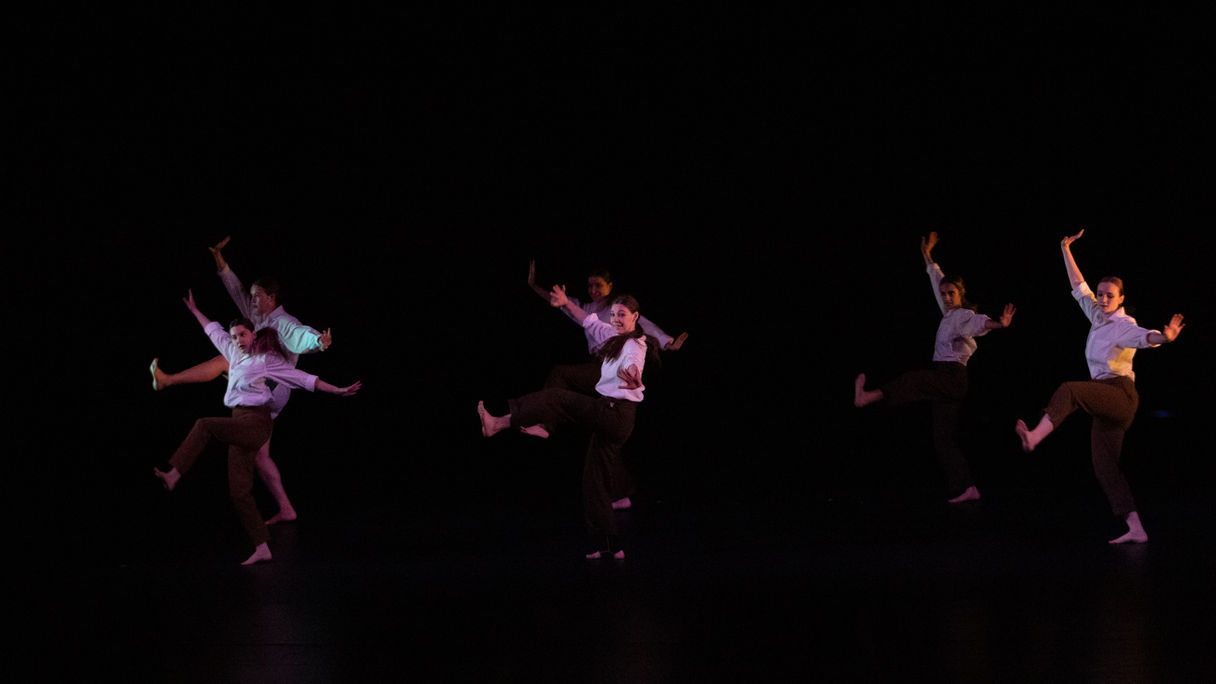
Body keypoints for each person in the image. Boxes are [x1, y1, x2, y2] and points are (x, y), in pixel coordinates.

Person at [153, 291, 360, 565]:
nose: (238, 340)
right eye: (235, 336)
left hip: (256, 422)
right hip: (239, 422)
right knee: (238, 491)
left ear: (253, 336)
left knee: (204, 425)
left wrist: (338, 390)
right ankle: (262, 546)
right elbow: (212, 331)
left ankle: (174, 474)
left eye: (243, 335)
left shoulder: (265, 361)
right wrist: (194, 311)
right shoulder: (231, 351)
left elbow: (304, 379)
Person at [1015, 229, 1184, 544]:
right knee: (1105, 467)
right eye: (1102, 293)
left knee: (1070, 389)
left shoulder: (1123, 325)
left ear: (1121, 299)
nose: (1104, 299)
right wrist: (1064, 248)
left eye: (1110, 295)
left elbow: (1146, 337)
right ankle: (1136, 527)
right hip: (1104, 401)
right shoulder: (1095, 313)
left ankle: (1034, 438)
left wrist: (1165, 338)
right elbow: (1078, 285)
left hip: (1120, 395)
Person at [150, 236, 332, 524]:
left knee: (228, 359)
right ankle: (287, 508)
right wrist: (219, 260)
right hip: (262, 387)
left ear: (271, 298)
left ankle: (168, 380)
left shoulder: (283, 322)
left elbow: (301, 336)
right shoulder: (255, 315)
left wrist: (318, 342)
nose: (251, 300)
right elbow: (235, 289)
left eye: (257, 296)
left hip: (275, 388)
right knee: (261, 456)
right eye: (252, 296)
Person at [478, 286, 648, 560]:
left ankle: (499, 423)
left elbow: (633, 367)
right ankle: (610, 546)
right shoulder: (612, 334)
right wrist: (566, 302)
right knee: (594, 482)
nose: (616, 319)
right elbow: (587, 320)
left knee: (558, 398)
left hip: (617, 414)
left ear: (635, 317)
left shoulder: (634, 345)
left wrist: (634, 379)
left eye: (622, 315)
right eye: (614, 314)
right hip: (612, 415)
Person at [854, 232, 1016, 503]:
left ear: (960, 294)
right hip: (948, 382)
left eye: (951, 293)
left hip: (952, 377)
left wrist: (999, 324)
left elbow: (978, 322)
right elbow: (936, 278)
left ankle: (869, 396)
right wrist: (927, 254)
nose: (947, 297)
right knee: (942, 439)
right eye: (944, 294)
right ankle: (967, 487)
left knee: (914, 380)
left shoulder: (962, 315)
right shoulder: (948, 312)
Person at [526, 260, 687, 509]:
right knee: (604, 439)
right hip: (598, 369)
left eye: (598, 286)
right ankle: (620, 494)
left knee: (561, 374)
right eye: (590, 286)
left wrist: (667, 342)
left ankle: (546, 423)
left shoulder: (618, 310)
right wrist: (534, 285)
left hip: (608, 368)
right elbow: (561, 302)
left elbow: (644, 323)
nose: (593, 290)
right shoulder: (587, 308)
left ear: (610, 287)